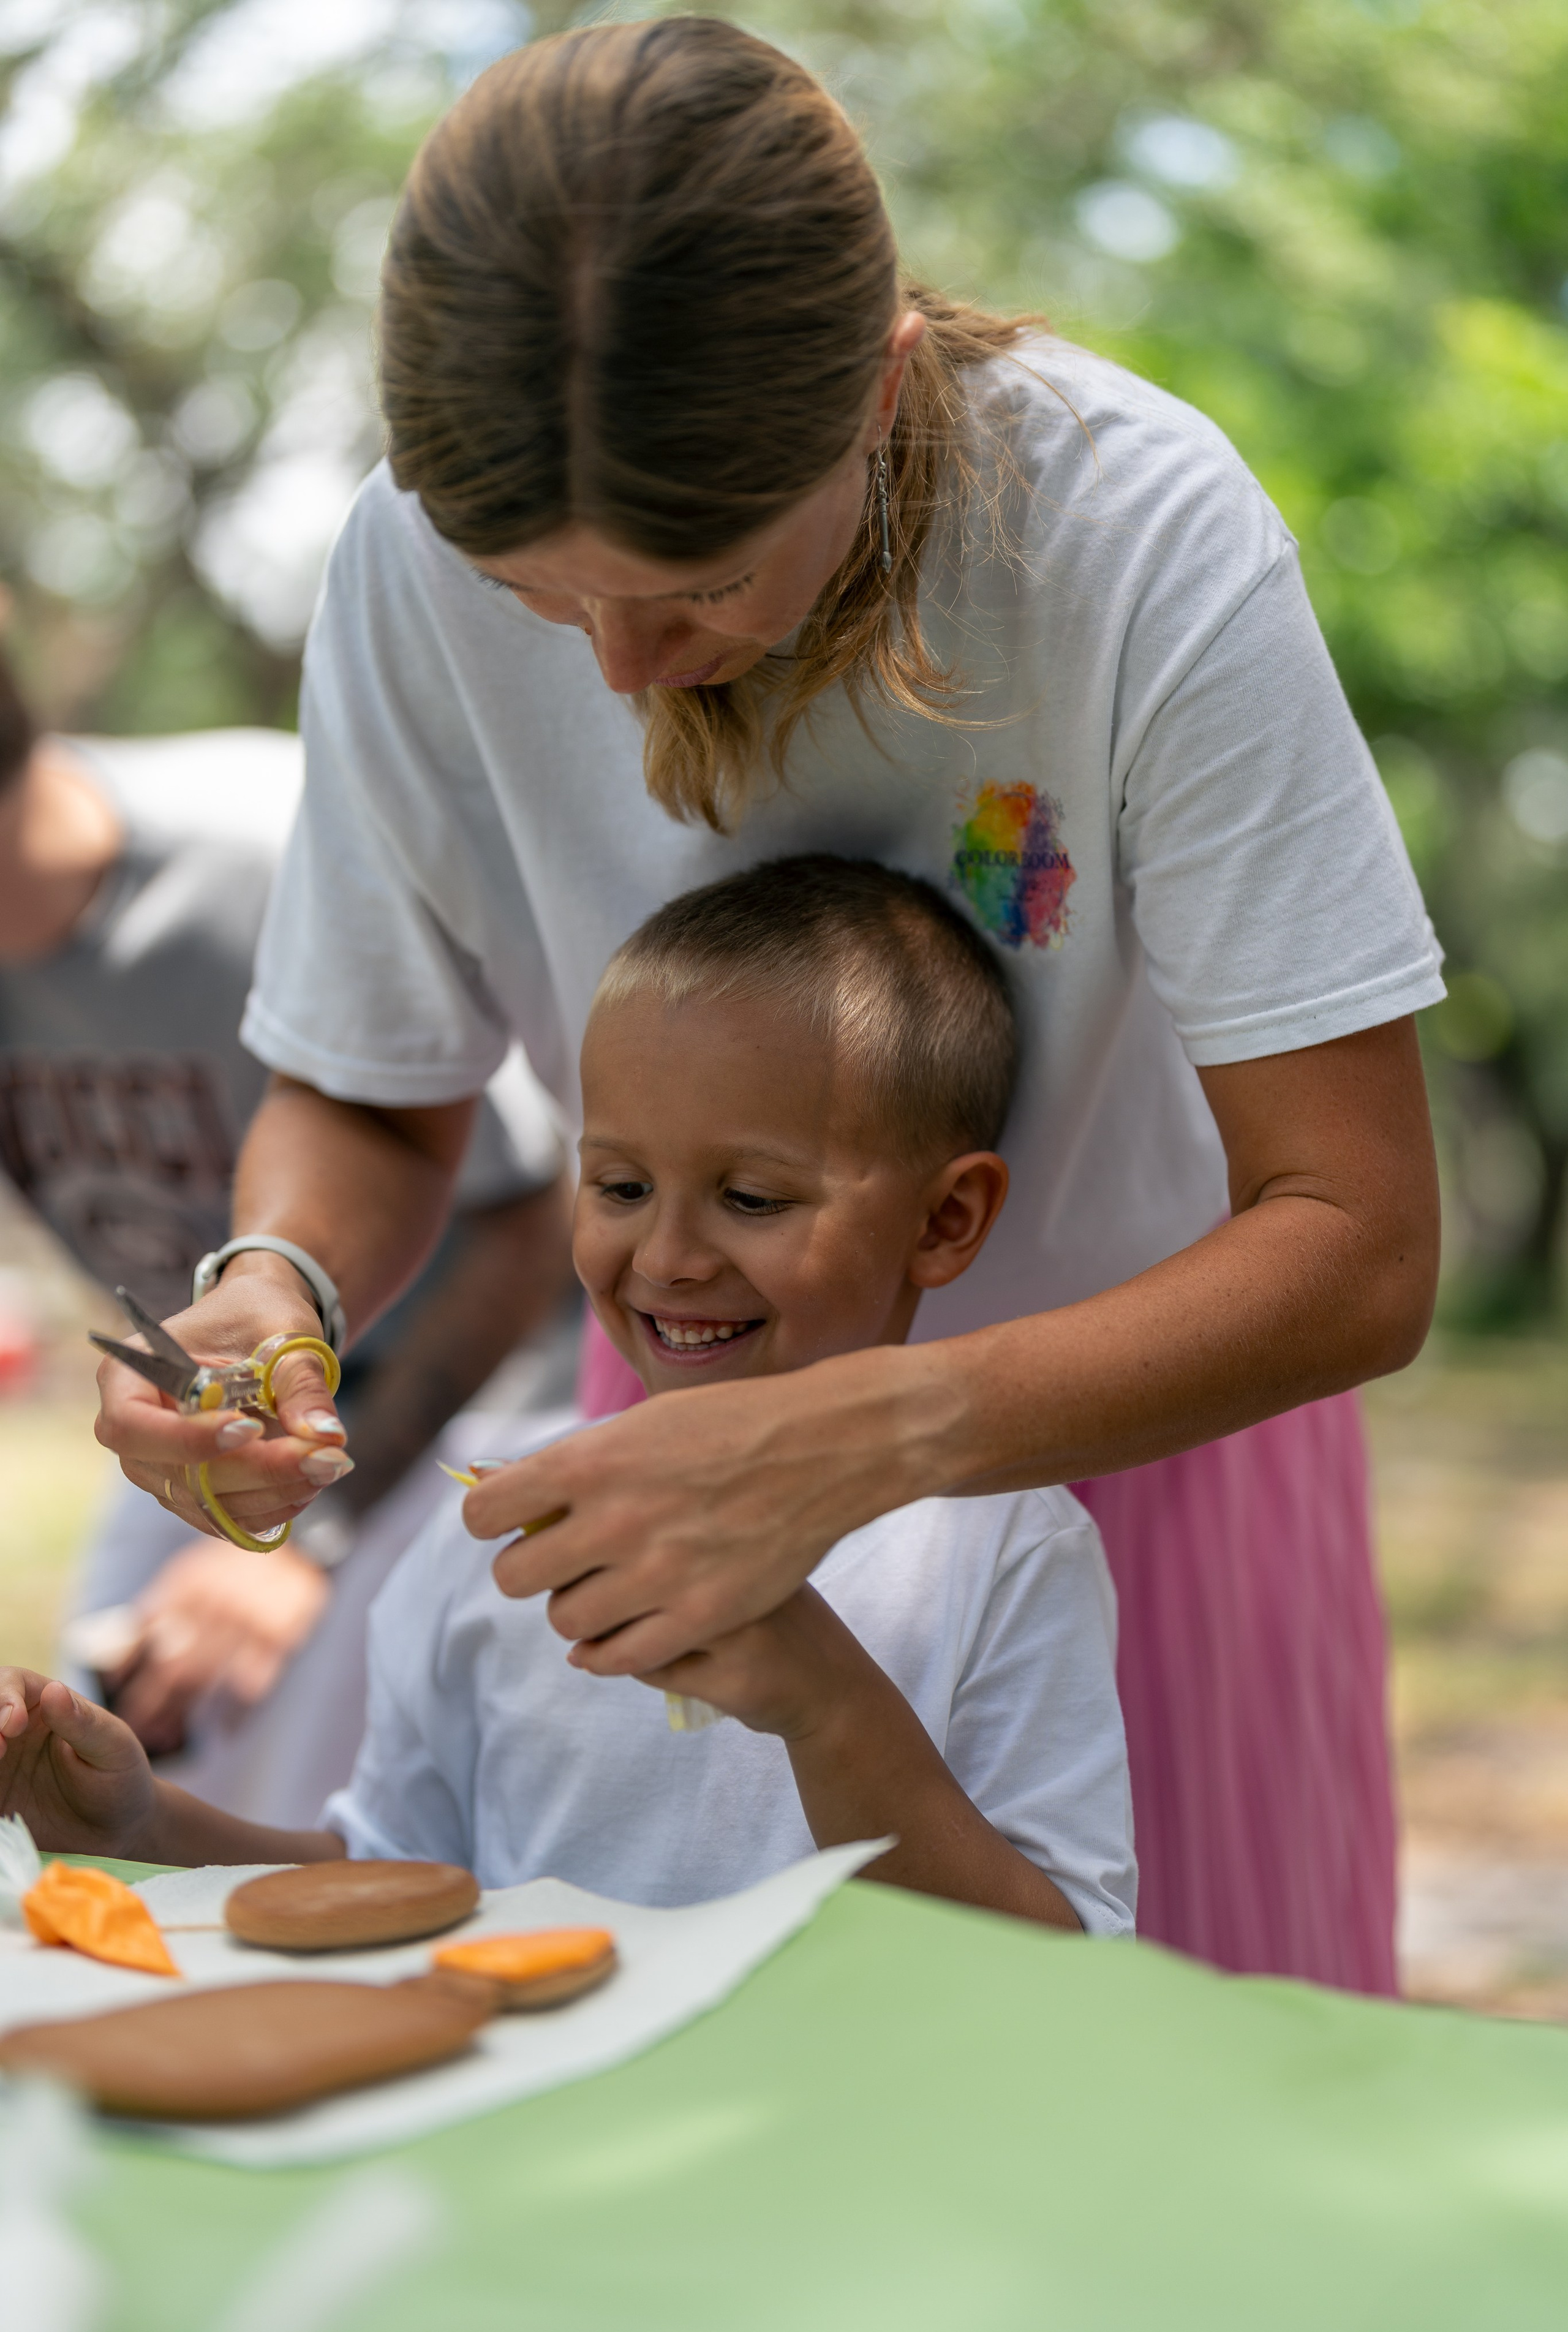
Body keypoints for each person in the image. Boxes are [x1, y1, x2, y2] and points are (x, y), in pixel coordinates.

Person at [92, 21, 1442, 1990]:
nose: (622, 669)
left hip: (1151, 1445)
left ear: (876, 395)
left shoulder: (1135, 536)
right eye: (539, 595)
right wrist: (276, 1285)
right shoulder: (404, 563)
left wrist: (863, 1439)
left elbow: (1360, 1236)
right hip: (680, 1446)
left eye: (704, 582)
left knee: (1160, 2105)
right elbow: (378, 1085)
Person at [1, 858, 1136, 1934]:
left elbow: (1060, 1965)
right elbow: (398, 1882)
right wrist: (139, 1831)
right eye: (623, 1187)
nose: (669, 1257)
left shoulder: (1004, 1546)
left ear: (944, 1220)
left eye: (751, 1198)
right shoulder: (488, 1533)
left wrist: (826, 1704)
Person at [0, 656, 576, 1824]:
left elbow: (530, 1214)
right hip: (229, 1399)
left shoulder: (260, 854)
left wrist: (318, 1538)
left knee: (291, 1794)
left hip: (480, 1398)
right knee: (80, 1775)